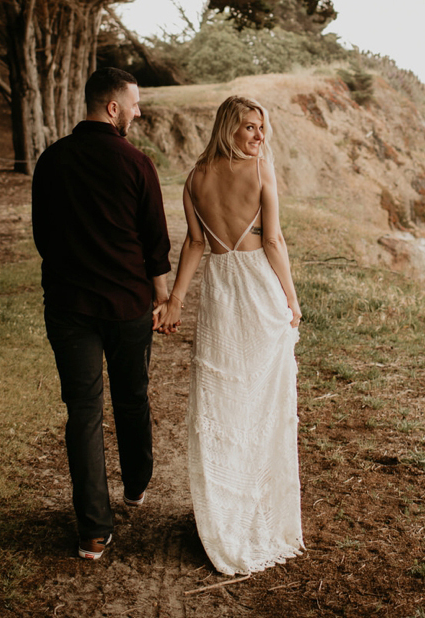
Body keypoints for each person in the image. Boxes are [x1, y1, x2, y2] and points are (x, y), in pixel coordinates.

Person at [155, 95, 303, 578]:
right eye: (249, 128)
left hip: (219, 291)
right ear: (229, 129)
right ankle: (250, 511)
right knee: (259, 401)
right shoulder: (260, 172)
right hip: (257, 287)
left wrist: (177, 299)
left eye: (262, 128)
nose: (259, 137)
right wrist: (292, 298)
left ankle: (224, 516)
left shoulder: (195, 178)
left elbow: (196, 243)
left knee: (225, 400)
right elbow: (275, 240)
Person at [32, 59, 172, 565]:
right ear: (113, 108)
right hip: (129, 306)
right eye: (134, 105)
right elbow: (156, 244)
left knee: (84, 413)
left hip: (69, 307)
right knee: (131, 397)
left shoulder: (51, 160)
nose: (137, 112)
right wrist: (163, 299)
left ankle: (92, 531)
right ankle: (136, 486)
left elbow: (42, 238)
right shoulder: (137, 164)